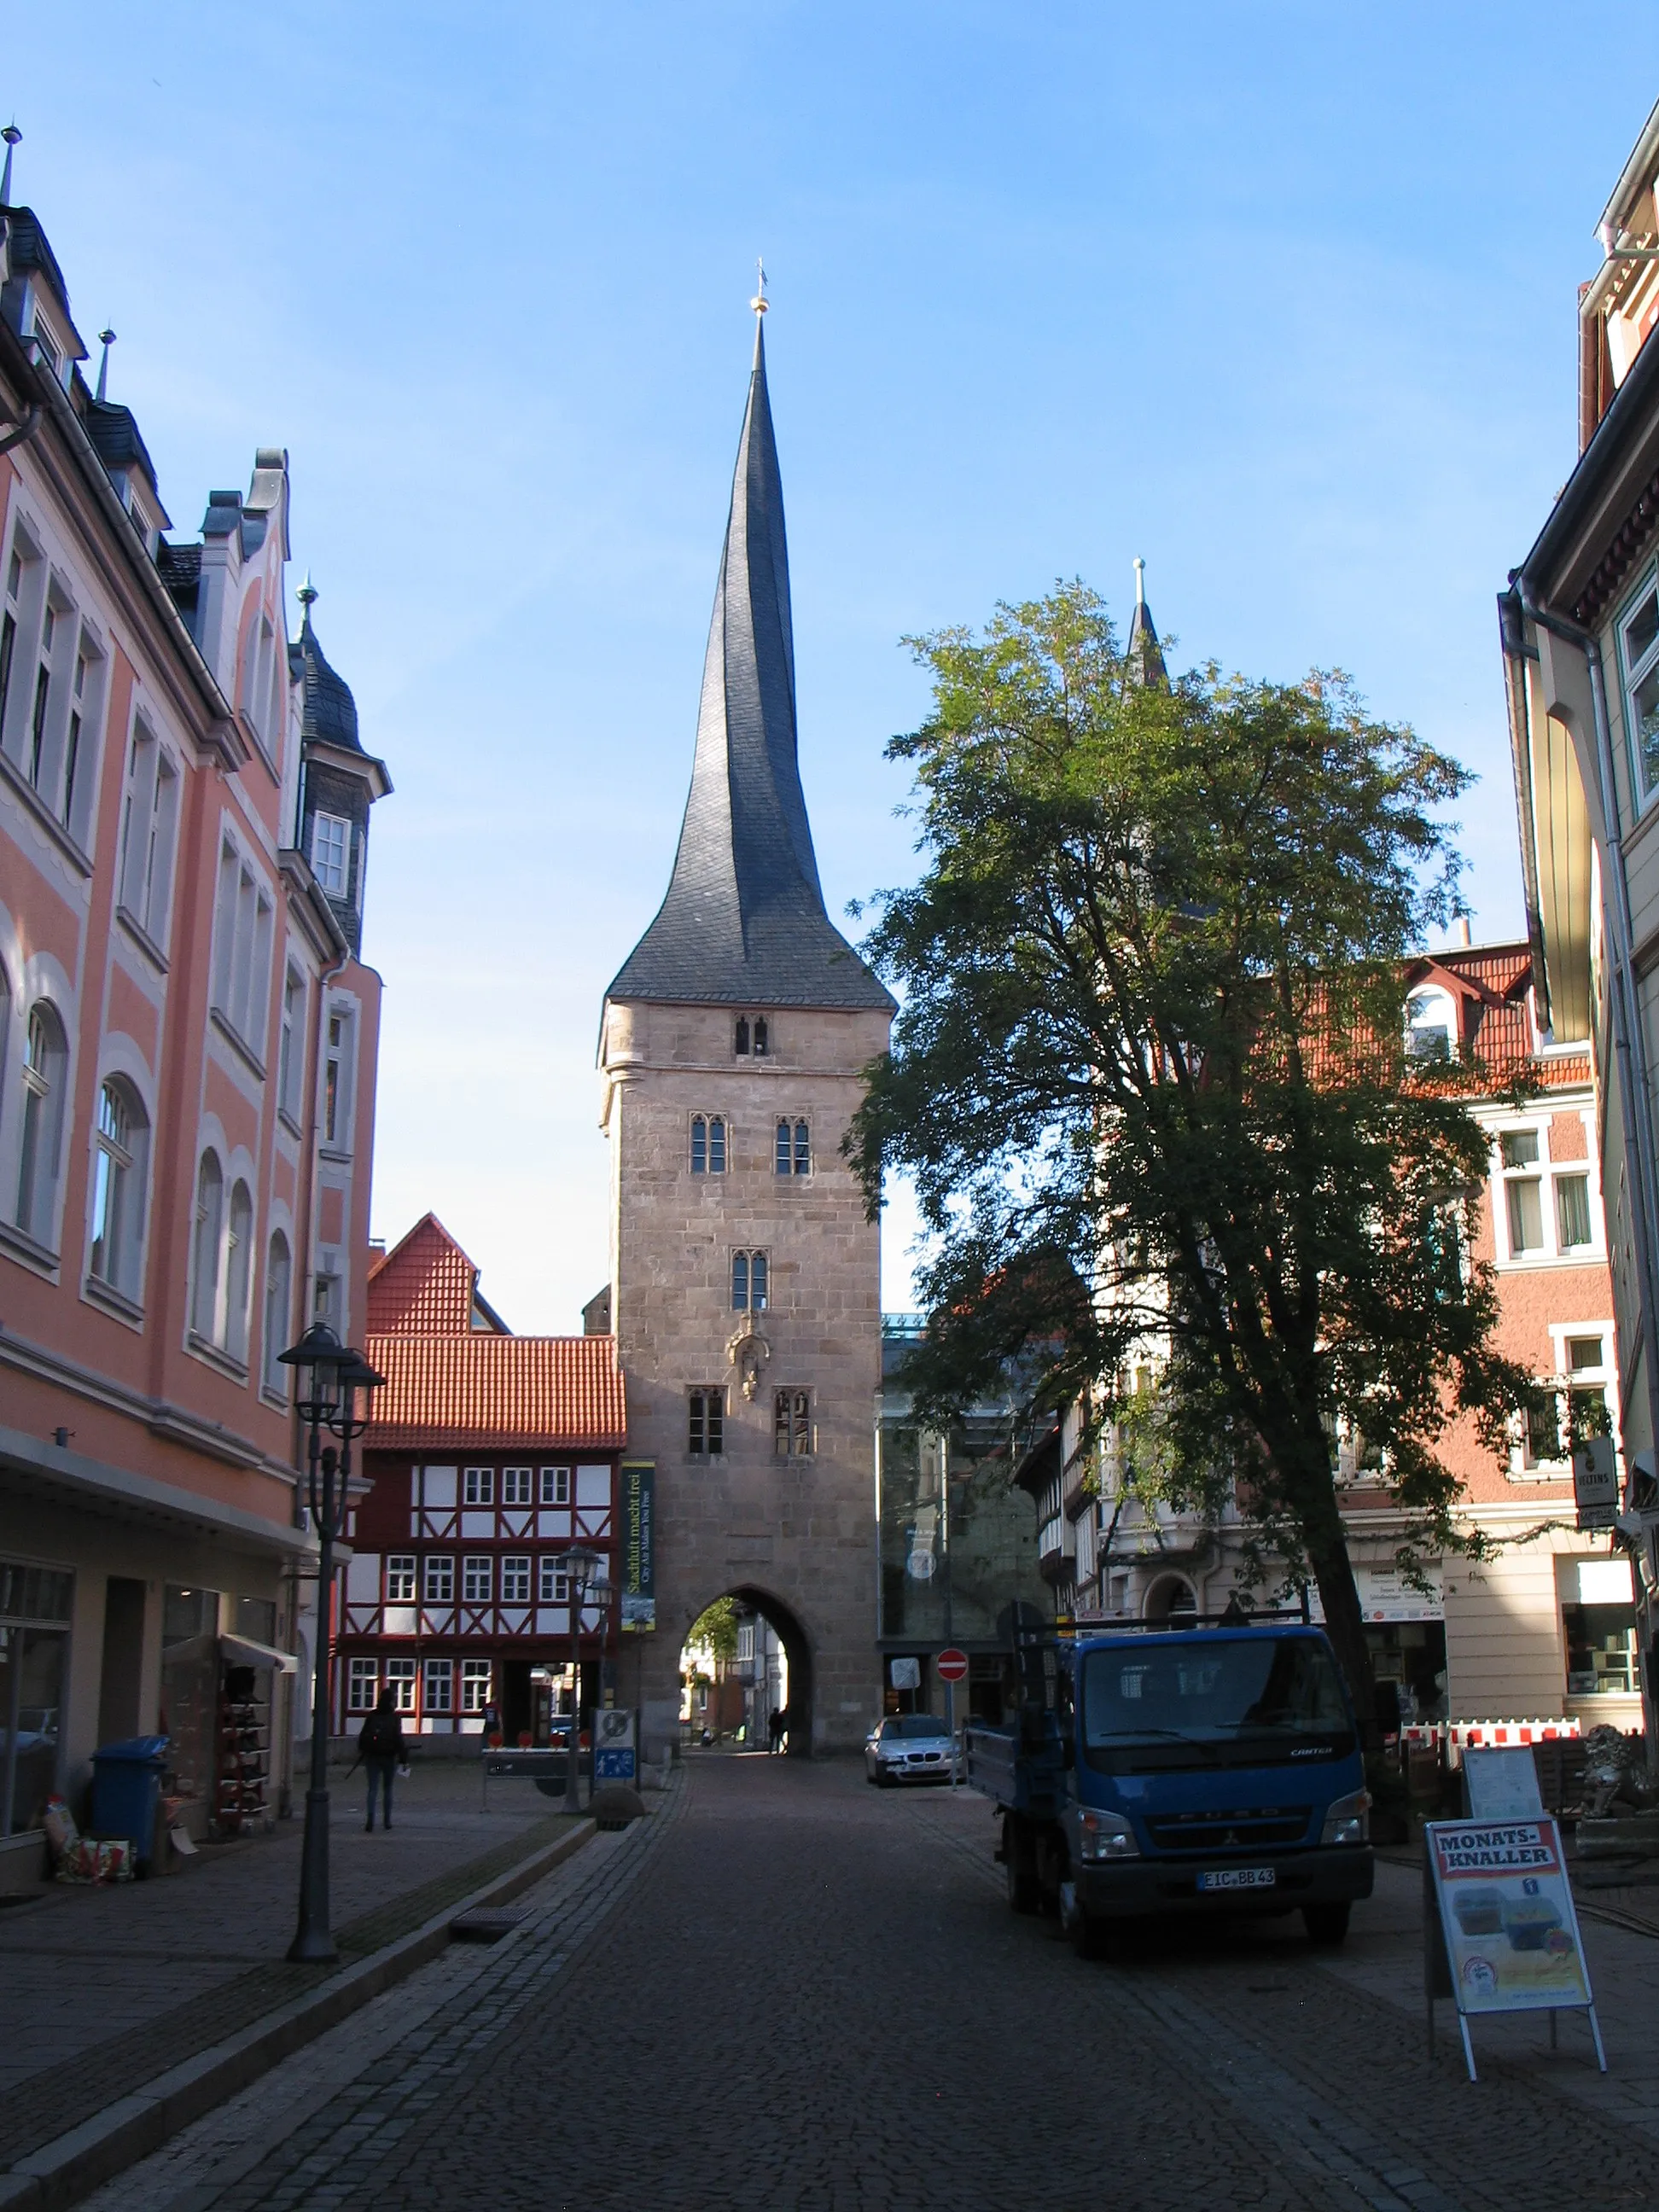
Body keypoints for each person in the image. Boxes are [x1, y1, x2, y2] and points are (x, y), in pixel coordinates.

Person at [360, 1687, 405, 1831]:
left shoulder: (372, 1716)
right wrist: (403, 1756)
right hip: (389, 1756)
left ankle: (370, 1819)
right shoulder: (394, 1717)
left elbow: (363, 1736)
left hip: (372, 1756)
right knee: (388, 1789)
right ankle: (387, 1821)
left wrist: (364, 1750)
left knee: (372, 1789)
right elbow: (398, 1738)